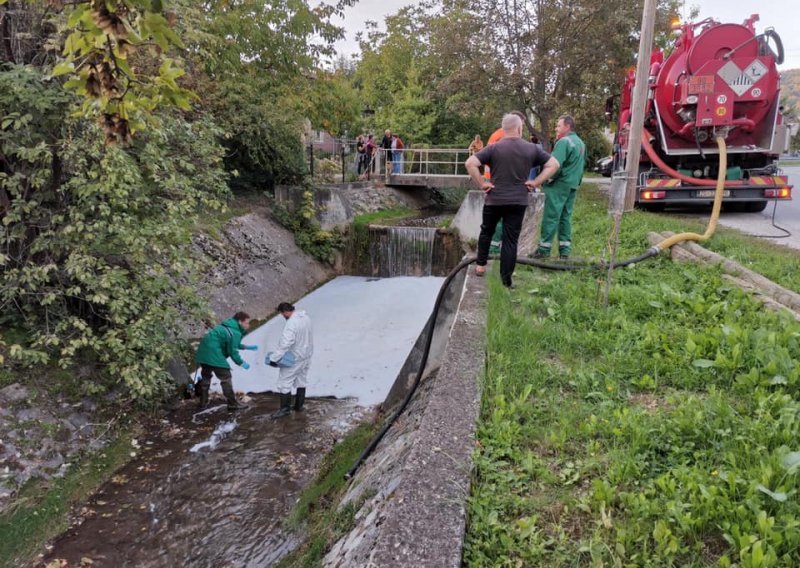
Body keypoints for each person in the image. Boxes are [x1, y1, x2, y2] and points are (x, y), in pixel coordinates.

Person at [465, 113, 560, 288]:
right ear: (519, 128)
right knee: (510, 240)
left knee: (486, 231)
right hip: (518, 200)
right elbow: (554, 164)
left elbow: (470, 163)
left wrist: (482, 184)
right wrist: (536, 182)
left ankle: (480, 266)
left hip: (494, 199)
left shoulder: (493, 148)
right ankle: (506, 280)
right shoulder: (531, 149)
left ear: (503, 129)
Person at [533, 115, 586, 260]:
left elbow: (554, 166)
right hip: (572, 185)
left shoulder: (564, 142)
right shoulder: (580, 143)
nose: (556, 128)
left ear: (567, 126)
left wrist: (545, 180)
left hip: (559, 185)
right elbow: (581, 166)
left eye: (558, 125)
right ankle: (565, 251)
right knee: (565, 217)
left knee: (551, 216)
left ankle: (544, 251)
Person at [194, 312, 256, 411]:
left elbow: (230, 342)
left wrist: (245, 347)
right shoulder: (235, 332)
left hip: (203, 353)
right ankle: (232, 404)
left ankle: (203, 403)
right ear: (240, 322)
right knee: (226, 378)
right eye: (247, 323)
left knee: (205, 378)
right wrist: (241, 363)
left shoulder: (225, 327)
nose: (248, 325)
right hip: (214, 354)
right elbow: (233, 351)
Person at [267, 302, 313, 417]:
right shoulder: (305, 317)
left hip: (295, 357)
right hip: (306, 355)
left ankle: (285, 410)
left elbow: (285, 343)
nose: (282, 316)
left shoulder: (291, 323)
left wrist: (274, 358)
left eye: (282, 314)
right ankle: (299, 405)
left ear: (285, 311)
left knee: (284, 383)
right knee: (301, 380)